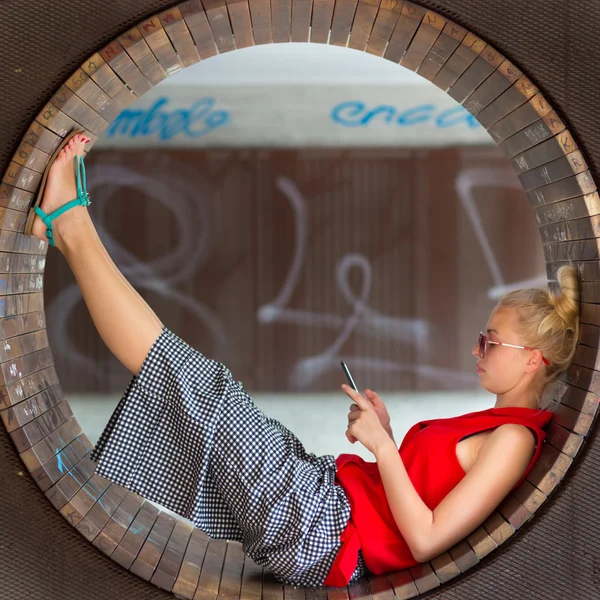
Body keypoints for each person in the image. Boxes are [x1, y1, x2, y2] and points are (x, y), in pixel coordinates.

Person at [30, 131, 580, 588]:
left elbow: (426, 538)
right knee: (194, 384)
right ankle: (59, 228)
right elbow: (413, 494)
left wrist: (384, 446)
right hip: (323, 498)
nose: (476, 350)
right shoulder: (500, 426)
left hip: (325, 529)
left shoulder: (515, 439)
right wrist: (387, 435)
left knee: (186, 375)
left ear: (533, 359)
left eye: (491, 342)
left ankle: (71, 222)